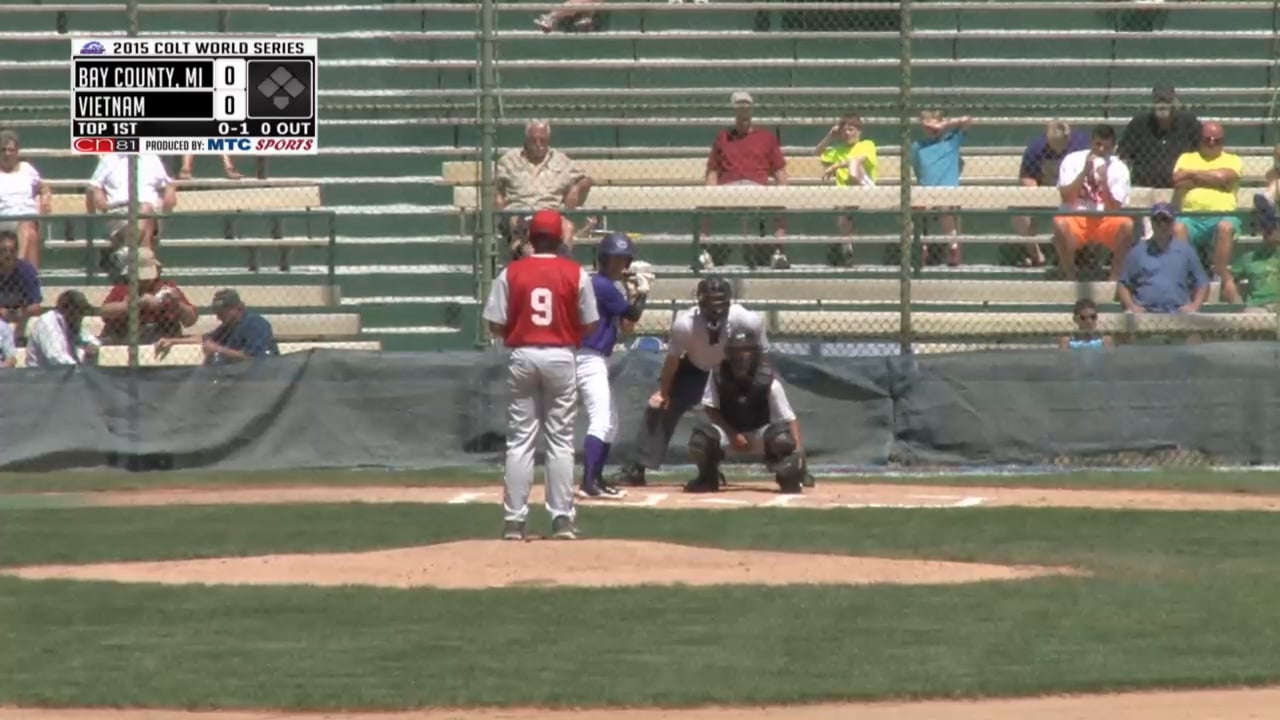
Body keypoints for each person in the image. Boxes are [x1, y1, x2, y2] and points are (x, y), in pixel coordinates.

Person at [482, 209, 599, 541]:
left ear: (531, 237)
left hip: (523, 354)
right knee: (560, 439)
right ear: (560, 238)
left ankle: (514, 522)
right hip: (561, 354)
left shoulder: (512, 272)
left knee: (520, 440)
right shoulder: (575, 272)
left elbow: (494, 324)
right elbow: (591, 323)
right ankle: (561, 518)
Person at [610, 275, 768, 488]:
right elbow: (673, 361)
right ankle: (638, 467)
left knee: (765, 407)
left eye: (720, 303)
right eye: (710, 302)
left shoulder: (747, 320)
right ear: (700, 302)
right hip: (696, 369)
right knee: (660, 408)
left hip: (731, 372)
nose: (715, 310)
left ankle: (791, 464)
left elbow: (762, 354)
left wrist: (756, 383)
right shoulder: (685, 323)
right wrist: (664, 393)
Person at [576, 232, 653, 500]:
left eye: (623, 259)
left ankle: (595, 478)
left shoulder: (605, 285)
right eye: (615, 259)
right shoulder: (601, 284)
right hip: (588, 357)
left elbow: (627, 327)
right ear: (604, 259)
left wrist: (633, 294)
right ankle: (589, 483)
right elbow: (632, 315)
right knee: (601, 420)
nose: (620, 265)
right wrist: (643, 294)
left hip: (594, 358)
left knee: (611, 422)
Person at [685, 329, 808, 494]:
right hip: (729, 433)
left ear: (754, 353)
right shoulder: (718, 374)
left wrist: (799, 456)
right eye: (736, 351)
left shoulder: (767, 380)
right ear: (728, 353)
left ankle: (788, 477)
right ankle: (707, 478)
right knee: (700, 440)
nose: (741, 356)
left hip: (760, 434)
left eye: (746, 350)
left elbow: (790, 419)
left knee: (782, 439)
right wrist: (732, 434)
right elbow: (710, 407)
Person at [700, 91, 790, 270]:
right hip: (729, 187)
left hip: (756, 187)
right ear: (734, 110)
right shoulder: (723, 137)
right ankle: (703, 253)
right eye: (739, 106)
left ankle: (779, 254)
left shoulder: (766, 138)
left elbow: (779, 171)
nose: (742, 110)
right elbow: (713, 171)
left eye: (745, 106)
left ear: (751, 109)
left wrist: (784, 192)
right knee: (701, 204)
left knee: (782, 203)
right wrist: (708, 194)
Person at [1171, 121, 1244, 303]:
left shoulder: (1232, 159)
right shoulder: (1186, 157)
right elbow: (1178, 180)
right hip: (1190, 217)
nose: (1211, 143)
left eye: (1216, 140)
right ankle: (1187, 274)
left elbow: (1225, 177)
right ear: (1200, 139)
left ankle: (1219, 274)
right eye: (1207, 139)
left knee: (1226, 226)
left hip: (1222, 214)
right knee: (1178, 227)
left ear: (1223, 141)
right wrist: (1215, 180)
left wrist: (1192, 175)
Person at [1051, 124, 1134, 281]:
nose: (1101, 150)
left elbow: (1114, 208)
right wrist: (1085, 171)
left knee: (1127, 225)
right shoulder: (1072, 160)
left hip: (1105, 219)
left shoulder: (1119, 168)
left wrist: (1103, 181)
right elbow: (1067, 197)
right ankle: (1071, 278)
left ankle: (1114, 280)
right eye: (1098, 144)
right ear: (1091, 142)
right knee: (1059, 223)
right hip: (1077, 216)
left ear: (1113, 148)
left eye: (1107, 147)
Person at [1014, 121, 1091, 267]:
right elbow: (1026, 176)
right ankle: (1037, 256)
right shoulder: (1037, 147)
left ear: (1068, 138)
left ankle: (1084, 255)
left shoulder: (1082, 144)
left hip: (1076, 194)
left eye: (1059, 145)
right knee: (1017, 213)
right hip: (1045, 194)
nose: (1056, 150)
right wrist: (1035, 192)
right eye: (1051, 144)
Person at [1117, 203, 1209, 315]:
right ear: (1151, 223)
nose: (1162, 224)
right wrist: (1131, 307)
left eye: (1166, 220)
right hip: (1145, 313)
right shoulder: (1137, 252)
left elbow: (1203, 283)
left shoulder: (1186, 251)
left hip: (1178, 313)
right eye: (1157, 220)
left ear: (1173, 223)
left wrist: (1194, 307)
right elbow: (1122, 284)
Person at [97, 246, 198, 344]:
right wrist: (137, 303)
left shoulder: (167, 287)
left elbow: (191, 321)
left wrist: (178, 304)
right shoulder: (124, 288)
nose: (145, 281)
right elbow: (104, 311)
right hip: (129, 337)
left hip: (161, 339)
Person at [911, 108, 972, 266]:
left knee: (944, 207)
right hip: (926, 191)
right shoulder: (918, 146)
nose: (931, 130)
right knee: (914, 207)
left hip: (947, 191)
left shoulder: (951, 140)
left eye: (934, 126)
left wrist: (945, 125)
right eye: (927, 127)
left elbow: (968, 119)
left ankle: (953, 246)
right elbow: (917, 170)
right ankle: (921, 248)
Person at [816, 113, 877, 267]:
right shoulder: (837, 149)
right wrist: (830, 136)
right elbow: (817, 152)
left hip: (865, 189)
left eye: (851, 129)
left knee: (854, 165)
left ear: (859, 131)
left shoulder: (867, 144)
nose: (848, 133)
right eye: (845, 130)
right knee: (843, 207)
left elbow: (857, 161)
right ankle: (847, 249)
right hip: (845, 193)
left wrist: (836, 166)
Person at [154, 288, 278, 365]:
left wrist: (218, 350)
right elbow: (205, 338)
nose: (218, 318)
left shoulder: (255, 324)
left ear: (238, 308)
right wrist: (172, 340)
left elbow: (254, 359)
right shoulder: (229, 326)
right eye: (217, 313)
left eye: (222, 314)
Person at [0, 129, 51, 267]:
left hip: (28, 218)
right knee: (30, 232)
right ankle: (22, 271)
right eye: (3, 150)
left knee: (29, 231)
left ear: (17, 151)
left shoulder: (26, 168)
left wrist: (45, 198)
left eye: (10, 150)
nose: (7, 153)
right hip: (4, 218)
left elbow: (43, 187)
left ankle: (26, 277)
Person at [25, 290, 99, 368]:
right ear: (66, 309)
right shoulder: (47, 323)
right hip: (42, 375)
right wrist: (79, 368)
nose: (81, 315)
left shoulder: (74, 322)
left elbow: (90, 339)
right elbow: (55, 358)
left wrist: (93, 346)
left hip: (72, 373)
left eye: (82, 311)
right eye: (78, 310)